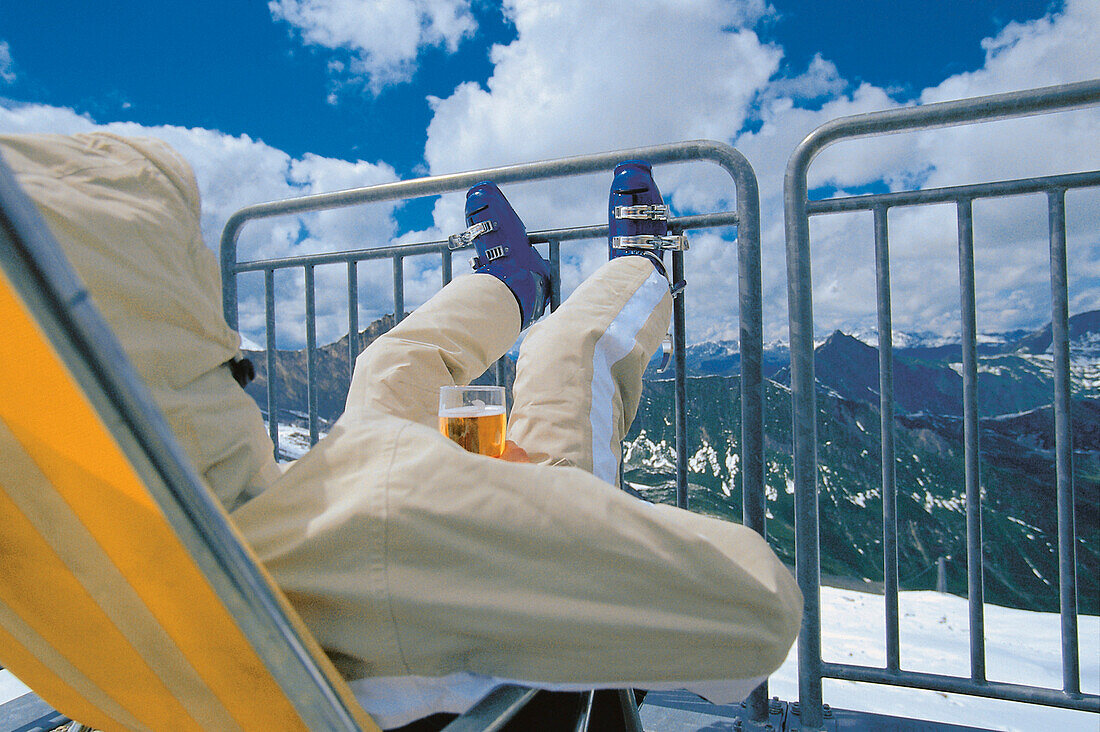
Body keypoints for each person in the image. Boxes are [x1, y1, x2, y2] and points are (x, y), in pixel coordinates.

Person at [1, 133, 802, 731]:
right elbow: (758, 611)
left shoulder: (47, 555)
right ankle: (648, 267)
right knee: (570, 354)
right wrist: (527, 492)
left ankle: (510, 286)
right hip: (456, 633)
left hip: (224, 580)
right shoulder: (387, 518)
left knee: (388, 369)